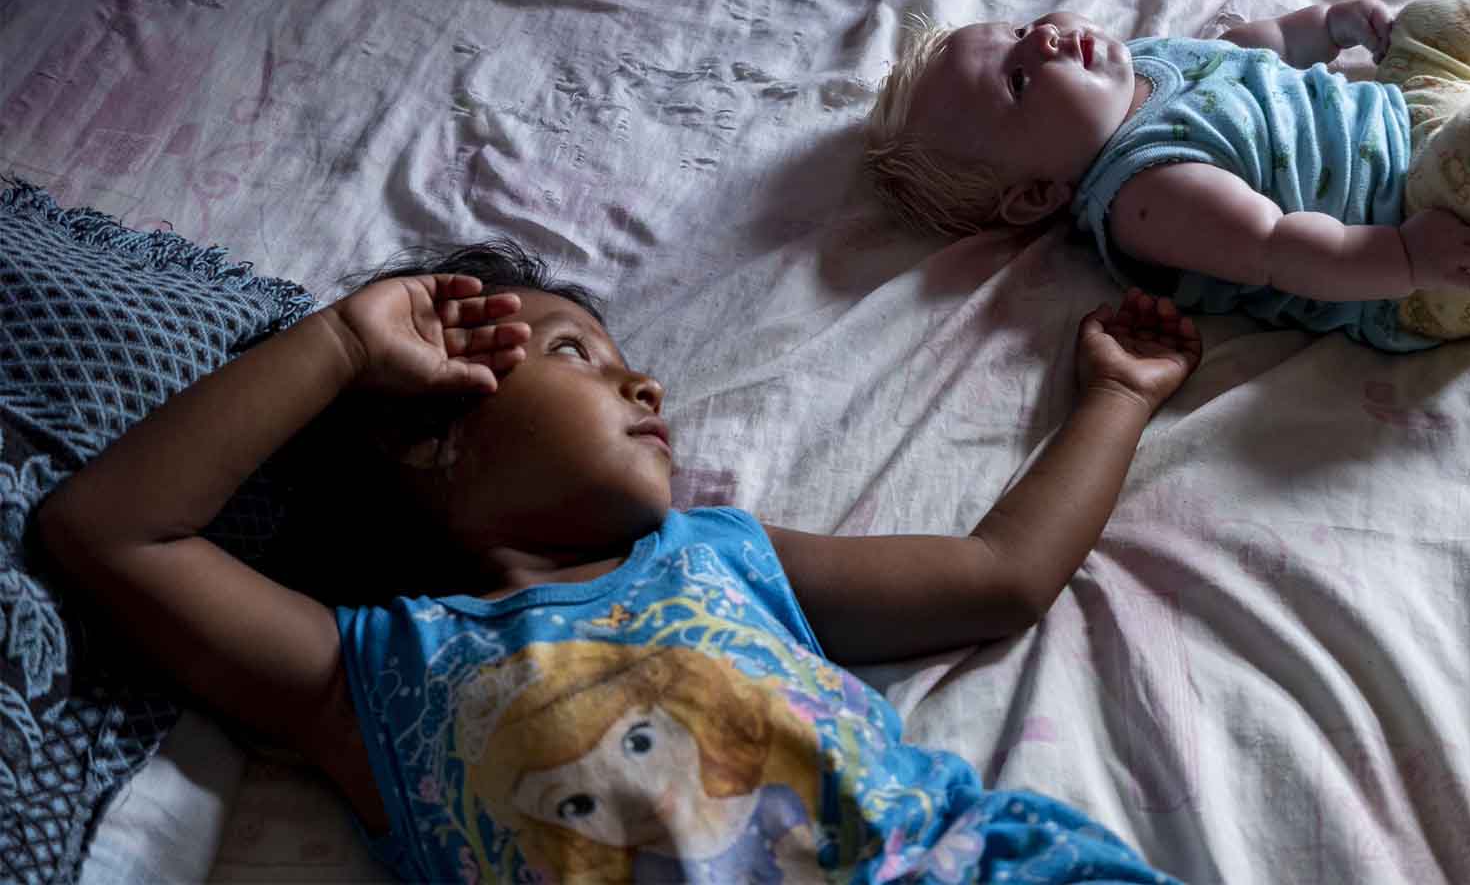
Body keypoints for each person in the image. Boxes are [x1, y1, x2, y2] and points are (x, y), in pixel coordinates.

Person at [38, 239, 1200, 883]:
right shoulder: (371, 679)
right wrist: (343, 344)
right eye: (574, 355)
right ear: (435, 437)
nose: (644, 384)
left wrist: (1116, 395)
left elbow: (999, 574)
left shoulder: (718, 560)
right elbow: (108, 532)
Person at [863, 0, 1470, 351]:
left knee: (1442, 19)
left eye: (1025, 30)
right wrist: (1407, 259)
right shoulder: (1145, 192)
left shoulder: (1144, 65)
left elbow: (1248, 50)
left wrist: (1324, 26)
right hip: (1433, 250)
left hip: (1410, 115)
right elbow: (1279, 247)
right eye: (1019, 81)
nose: (1049, 43)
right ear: (1034, 194)